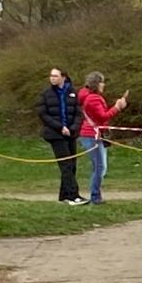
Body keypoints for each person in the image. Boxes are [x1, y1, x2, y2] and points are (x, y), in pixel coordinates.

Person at [37, 67, 87, 205]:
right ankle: (73, 196)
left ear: (63, 77)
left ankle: (64, 195)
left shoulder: (72, 92)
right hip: (55, 134)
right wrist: (60, 127)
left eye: (55, 76)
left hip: (70, 134)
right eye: (51, 76)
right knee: (66, 165)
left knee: (72, 165)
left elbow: (78, 113)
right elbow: (43, 114)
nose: (52, 78)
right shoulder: (45, 94)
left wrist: (73, 128)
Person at [77, 73, 127, 206]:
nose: (103, 85)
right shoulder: (93, 99)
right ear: (97, 84)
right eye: (102, 82)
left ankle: (96, 194)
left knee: (100, 167)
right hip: (92, 135)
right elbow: (102, 117)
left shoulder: (89, 97)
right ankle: (95, 196)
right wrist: (117, 107)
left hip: (93, 134)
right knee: (100, 167)